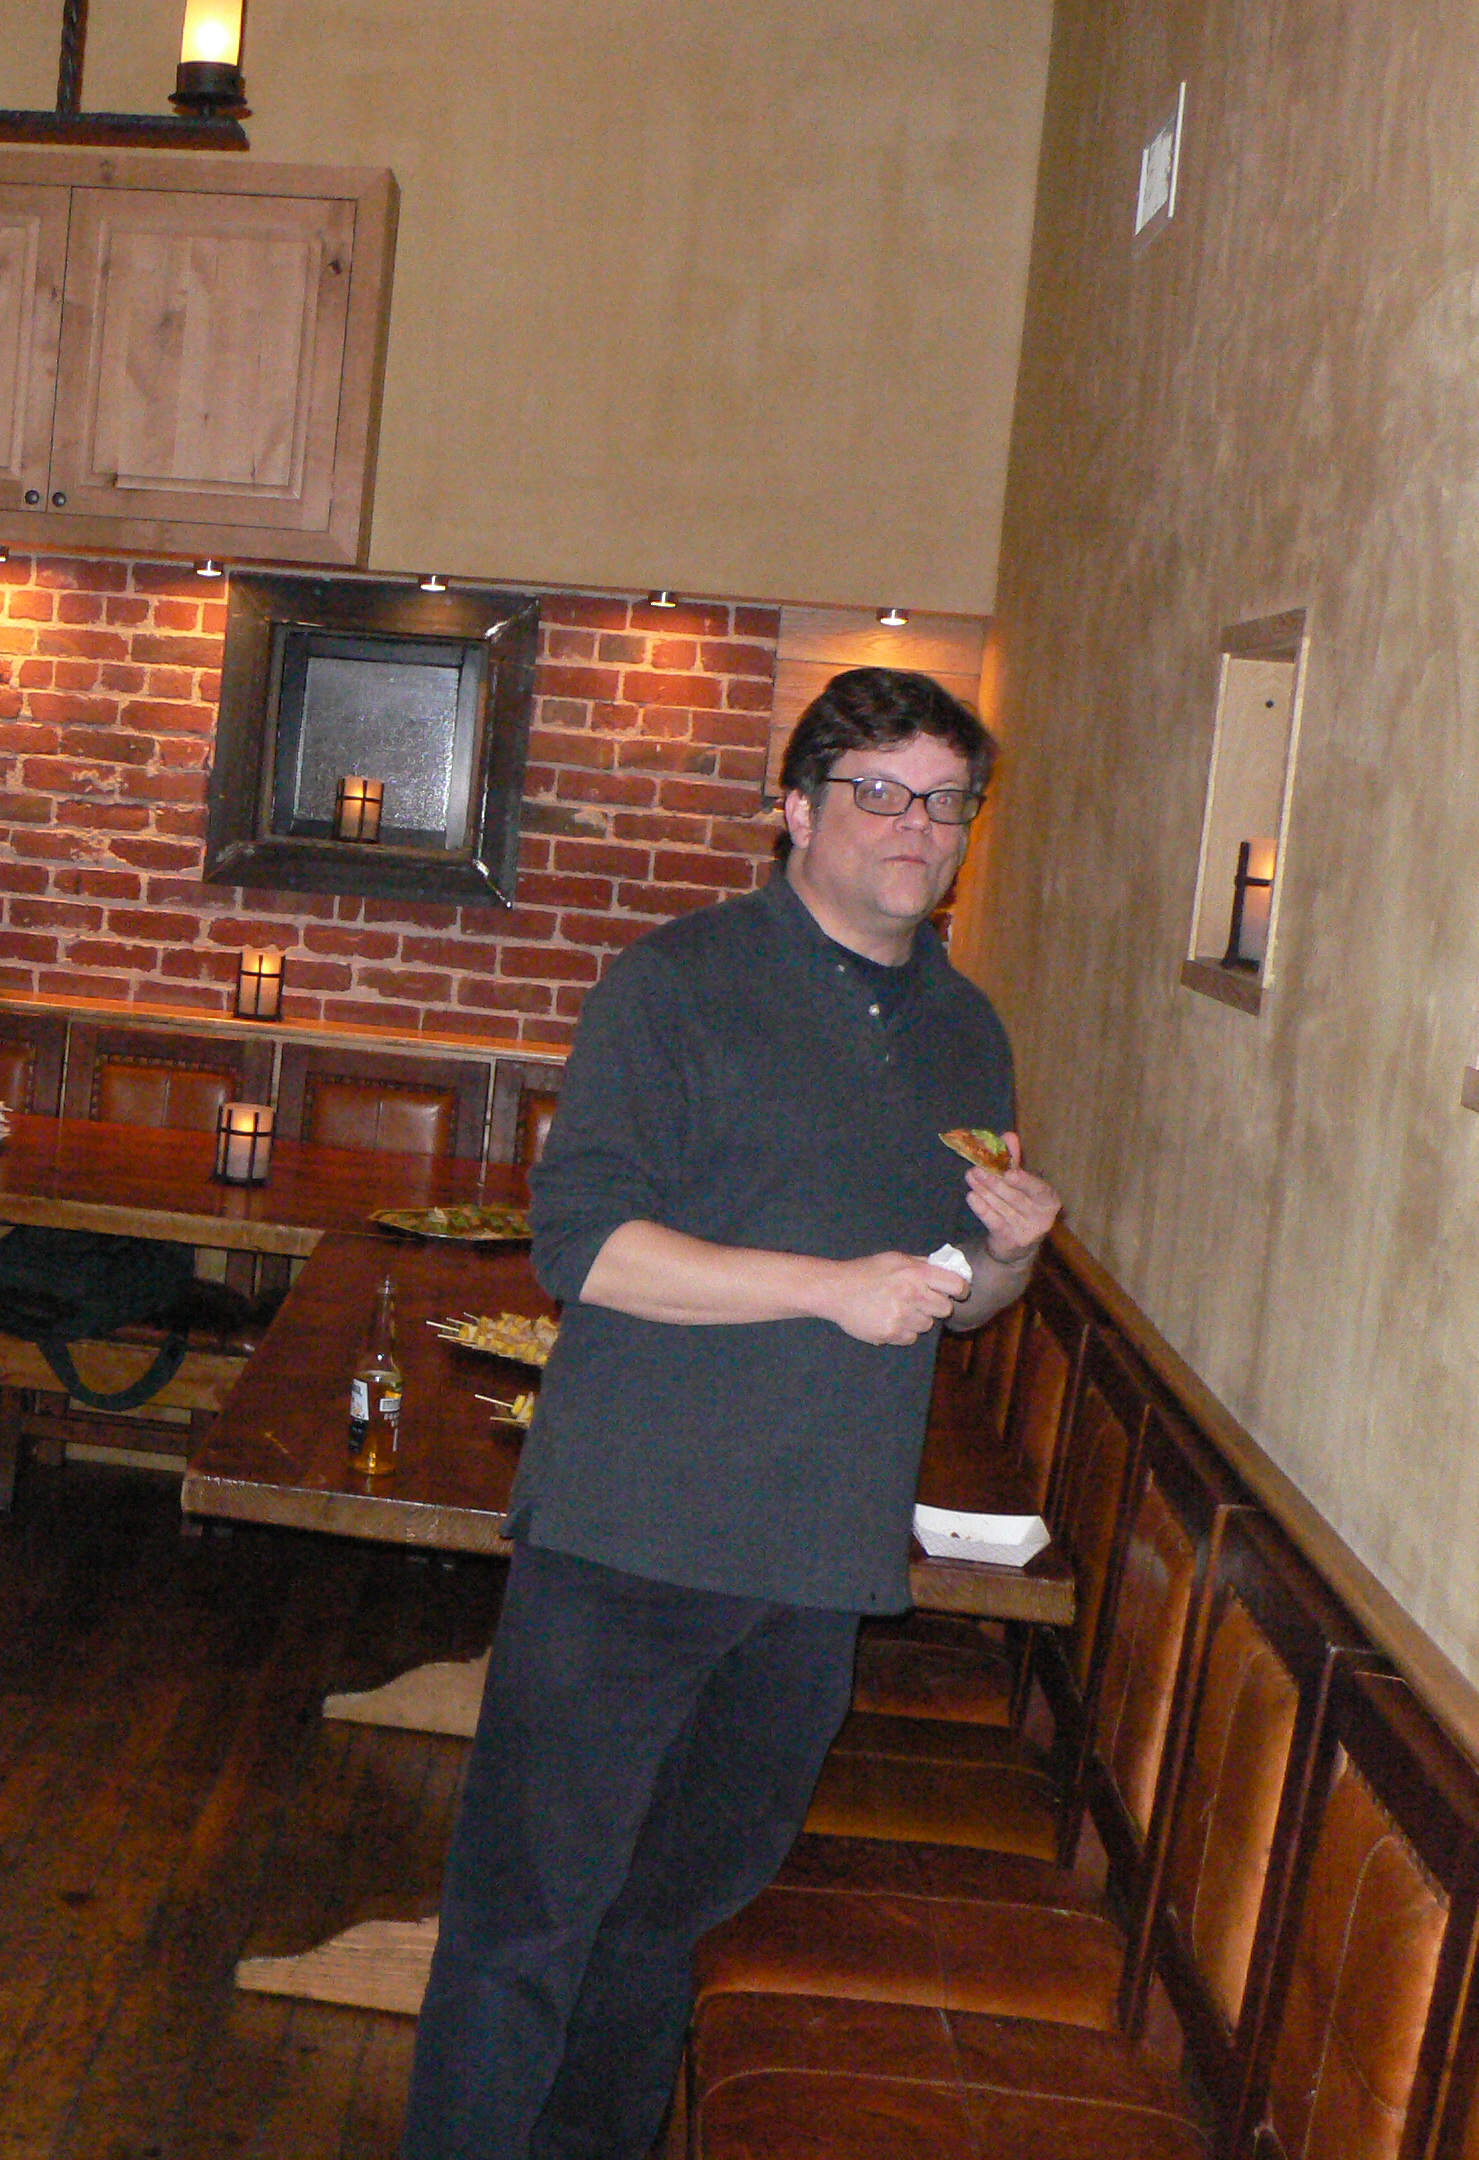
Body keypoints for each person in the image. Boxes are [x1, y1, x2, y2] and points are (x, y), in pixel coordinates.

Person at [401, 666, 1063, 2158]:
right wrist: (826, 1289)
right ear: (796, 812)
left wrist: (1010, 1260)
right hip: (628, 1540)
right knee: (524, 1931)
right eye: (879, 793)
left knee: (668, 1930)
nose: (917, 826)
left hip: (818, 1561)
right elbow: (585, 1249)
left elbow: (951, 1300)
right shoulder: (674, 986)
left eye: (945, 801)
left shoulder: (967, 1031)